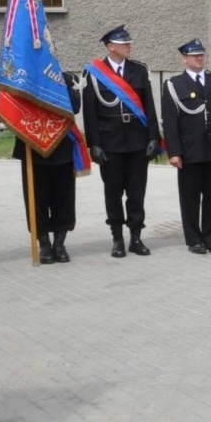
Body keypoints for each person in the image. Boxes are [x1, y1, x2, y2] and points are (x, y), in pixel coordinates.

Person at [83, 25, 160, 258]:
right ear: (110, 47)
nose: (129, 46)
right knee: (113, 192)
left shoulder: (139, 70)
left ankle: (136, 237)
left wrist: (153, 137)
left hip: (137, 140)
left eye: (129, 42)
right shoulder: (94, 73)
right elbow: (90, 112)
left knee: (137, 192)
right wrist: (94, 144)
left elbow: (149, 106)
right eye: (124, 43)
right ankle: (117, 237)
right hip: (110, 142)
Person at [160, 38, 211, 255]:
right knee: (190, 197)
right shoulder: (174, 85)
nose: (199, 58)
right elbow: (170, 121)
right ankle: (194, 239)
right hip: (189, 150)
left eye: (201, 55)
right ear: (184, 59)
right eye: (194, 56)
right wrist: (174, 152)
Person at [9, 78, 80, 262]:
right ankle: (44, 245)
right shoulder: (20, 78)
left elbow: (75, 105)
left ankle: (59, 243)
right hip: (33, 149)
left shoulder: (62, 77)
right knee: (37, 201)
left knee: (63, 200)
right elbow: (5, 107)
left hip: (61, 148)